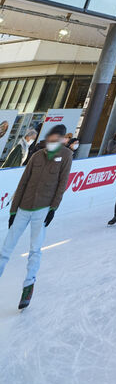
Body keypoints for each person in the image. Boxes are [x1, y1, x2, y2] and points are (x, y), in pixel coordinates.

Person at [0, 123, 72, 309]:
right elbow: (23, 182)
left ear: (62, 139)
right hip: (24, 207)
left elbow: (62, 183)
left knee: (34, 249)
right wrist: (13, 210)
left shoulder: (66, 155)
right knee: (6, 248)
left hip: (42, 209)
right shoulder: (37, 155)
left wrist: (53, 208)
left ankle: (28, 285)